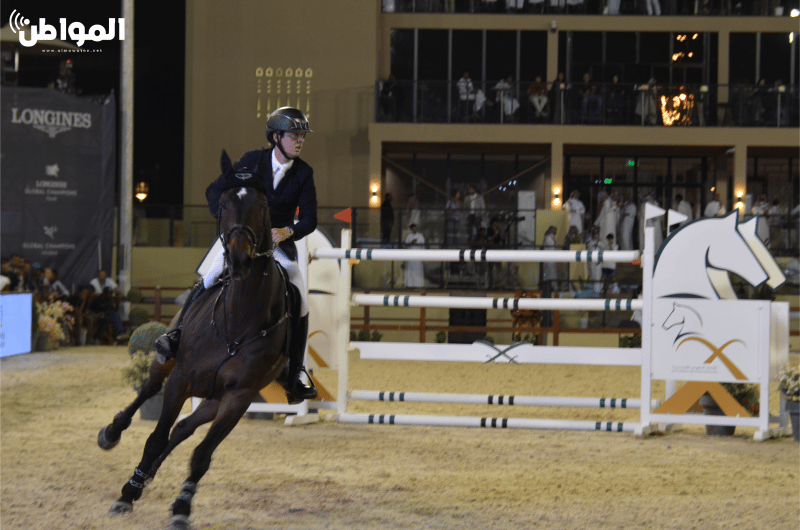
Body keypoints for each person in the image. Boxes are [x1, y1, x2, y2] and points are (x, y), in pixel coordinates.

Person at [157, 106, 318, 403]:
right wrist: (229, 223)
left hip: (276, 249)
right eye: (294, 135)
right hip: (240, 242)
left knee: (301, 299)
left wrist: (287, 231)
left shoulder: (303, 174)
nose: (299, 141)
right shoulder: (251, 161)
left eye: (302, 136)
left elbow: (310, 219)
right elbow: (214, 191)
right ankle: (175, 335)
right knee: (208, 278)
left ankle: (296, 371)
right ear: (276, 137)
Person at [89, 269, 125, 341]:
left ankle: (120, 333)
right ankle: (116, 335)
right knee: (110, 315)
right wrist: (103, 294)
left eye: (104, 275)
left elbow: (116, 289)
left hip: (106, 303)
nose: (103, 277)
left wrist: (120, 294)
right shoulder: (93, 282)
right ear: (98, 276)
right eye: (101, 275)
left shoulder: (109, 280)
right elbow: (91, 293)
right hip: (97, 304)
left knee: (115, 313)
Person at [403, 224, 426, 288]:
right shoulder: (409, 236)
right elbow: (406, 245)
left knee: (418, 271)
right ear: (411, 229)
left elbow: (423, 246)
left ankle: (419, 284)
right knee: (410, 270)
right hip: (411, 256)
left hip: (418, 256)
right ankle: (410, 284)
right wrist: (411, 242)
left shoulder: (420, 236)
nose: (415, 229)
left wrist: (423, 256)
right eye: (413, 228)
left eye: (416, 228)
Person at [542, 226, 558, 292]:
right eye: (555, 230)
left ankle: (552, 286)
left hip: (551, 258)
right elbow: (552, 248)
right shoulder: (548, 238)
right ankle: (550, 287)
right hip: (550, 258)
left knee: (551, 273)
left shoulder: (551, 238)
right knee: (550, 273)